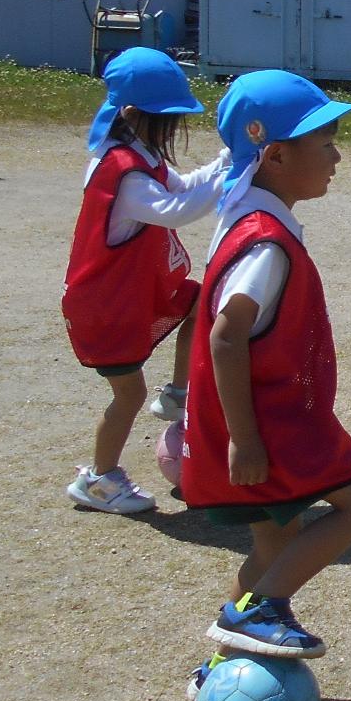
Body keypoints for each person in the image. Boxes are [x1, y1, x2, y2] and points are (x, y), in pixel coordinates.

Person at [181, 70, 351, 697]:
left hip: (265, 421)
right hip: (273, 425)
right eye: (324, 143)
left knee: (276, 543)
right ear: (274, 155)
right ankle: (261, 611)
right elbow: (224, 334)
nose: (336, 156)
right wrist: (243, 439)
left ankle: (223, 658)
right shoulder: (265, 245)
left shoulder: (246, 218)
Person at [60, 48, 226, 515]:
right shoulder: (122, 172)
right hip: (105, 306)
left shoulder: (140, 155)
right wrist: (230, 172)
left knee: (202, 300)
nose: (173, 129)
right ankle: (99, 480)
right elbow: (179, 209)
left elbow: (183, 186)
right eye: (167, 118)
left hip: (132, 295)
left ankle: (177, 395)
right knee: (127, 393)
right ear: (133, 114)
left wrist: (228, 157)